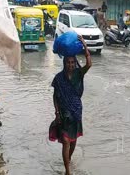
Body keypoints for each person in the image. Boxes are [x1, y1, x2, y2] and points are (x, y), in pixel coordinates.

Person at [49, 35, 92, 175]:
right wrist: (56, 112)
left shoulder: (79, 73)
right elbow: (55, 96)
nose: (70, 65)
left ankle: (68, 159)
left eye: (73, 62)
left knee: (73, 141)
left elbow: (89, 64)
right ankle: (67, 170)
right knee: (66, 141)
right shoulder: (58, 78)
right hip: (63, 114)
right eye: (68, 62)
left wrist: (84, 45)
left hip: (76, 112)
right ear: (64, 63)